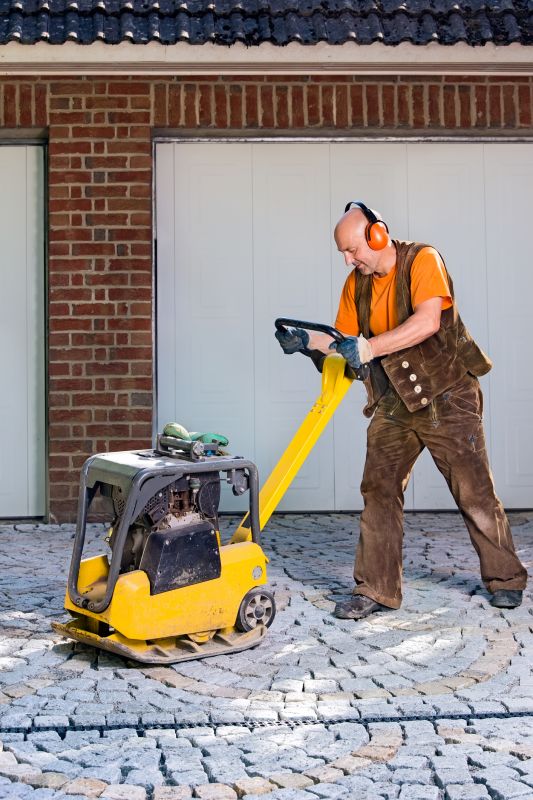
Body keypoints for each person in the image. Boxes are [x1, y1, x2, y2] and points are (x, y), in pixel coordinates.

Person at [275, 201, 527, 620]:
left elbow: (427, 322)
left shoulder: (423, 260)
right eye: (342, 253)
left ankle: (506, 579)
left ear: (377, 235)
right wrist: (306, 342)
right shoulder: (355, 285)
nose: (348, 260)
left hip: (449, 395)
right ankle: (376, 589)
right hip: (395, 402)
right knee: (379, 488)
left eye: (352, 250)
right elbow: (344, 343)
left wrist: (370, 347)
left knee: (475, 491)